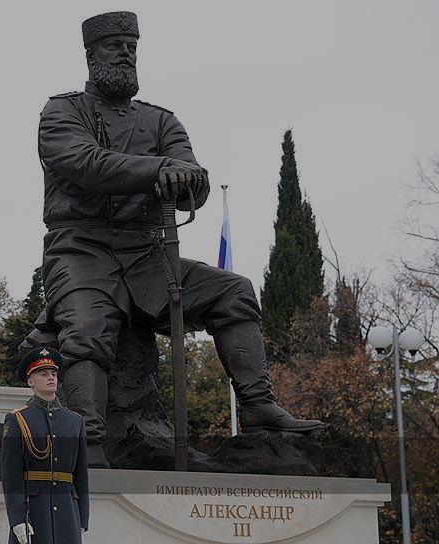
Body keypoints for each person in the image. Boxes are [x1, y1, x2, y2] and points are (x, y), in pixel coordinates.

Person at [23, 11, 322, 468]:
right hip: (81, 249)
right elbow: (87, 164)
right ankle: (87, 440)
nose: (126, 54)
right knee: (85, 329)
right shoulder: (62, 112)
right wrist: (160, 169)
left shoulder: (160, 121)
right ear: (91, 55)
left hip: (146, 255)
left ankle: (258, 406)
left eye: (132, 47)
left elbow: (193, 178)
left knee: (234, 291)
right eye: (115, 46)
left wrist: (188, 183)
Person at [1, 346, 89, 544]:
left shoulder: (75, 421)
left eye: (53, 374)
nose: (51, 378)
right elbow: (11, 473)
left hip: (68, 510)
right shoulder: (18, 419)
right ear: (30, 382)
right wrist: (17, 518)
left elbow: (81, 473)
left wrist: (83, 517)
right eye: (43, 374)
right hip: (34, 509)